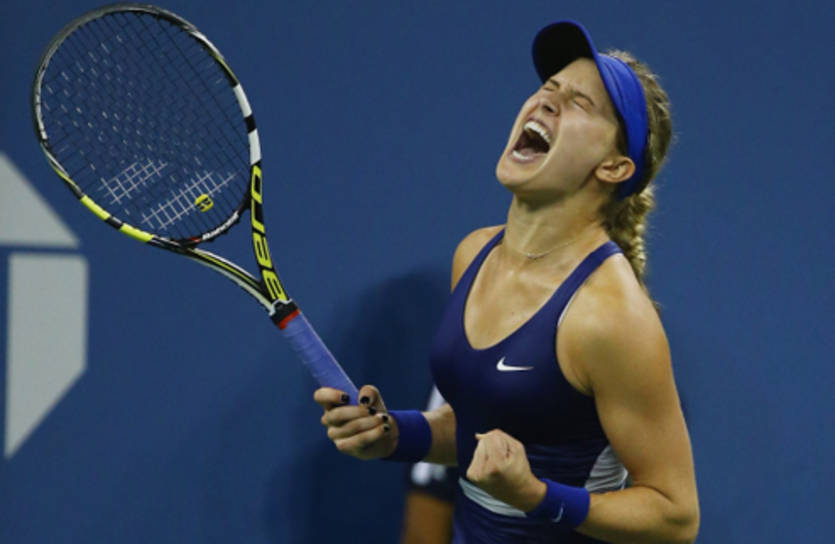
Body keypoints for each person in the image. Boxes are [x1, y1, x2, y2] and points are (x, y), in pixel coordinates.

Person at [315, 20, 699, 543]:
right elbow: (483, 428)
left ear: (613, 166)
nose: (546, 101)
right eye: (548, 88)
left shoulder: (610, 316)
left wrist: (537, 496)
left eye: (579, 103)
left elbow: (676, 516)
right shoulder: (474, 254)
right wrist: (393, 434)